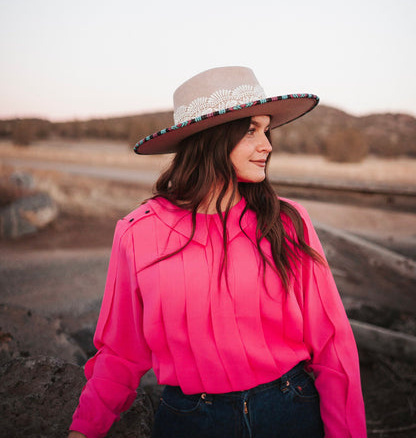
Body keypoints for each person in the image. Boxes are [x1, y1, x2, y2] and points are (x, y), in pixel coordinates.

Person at [68, 66, 367, 438]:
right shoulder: (138, 232)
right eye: (250, 130)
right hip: (191, 421)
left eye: (266, 130)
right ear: (211, 138)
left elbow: (332, 345)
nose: (267, 145)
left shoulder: (287, 222)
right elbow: (120, 353)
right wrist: (83, 430)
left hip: (290, 411)